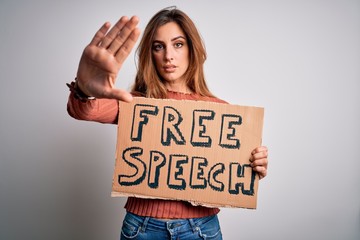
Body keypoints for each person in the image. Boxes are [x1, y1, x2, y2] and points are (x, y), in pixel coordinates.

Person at [67, 6, 268, 240]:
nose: (168, 56)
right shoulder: (135, 104)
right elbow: (84, 110)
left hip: (201, 229)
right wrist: (84, 88)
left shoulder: (221, 111)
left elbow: (237, 169)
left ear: (192, 49)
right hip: (142, 228)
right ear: (150, 54)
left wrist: (254, 165)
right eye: (158, 46)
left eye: (178, 44)